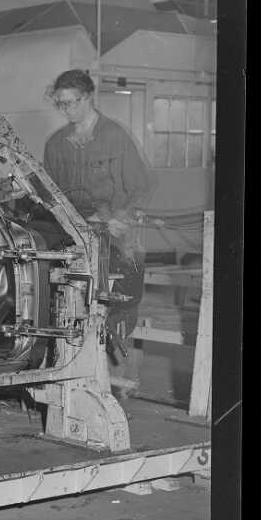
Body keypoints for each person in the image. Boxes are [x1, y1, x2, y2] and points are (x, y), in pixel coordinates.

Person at [42, 69, 153, 397]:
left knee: (115, 311)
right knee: (67, 308)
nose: (65, 110)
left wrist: (123, 216)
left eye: (70, 103)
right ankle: (72, 384)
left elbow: (142, 186)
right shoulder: (57, 144)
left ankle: (118, 390)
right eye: (59, 104)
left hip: (117, 237)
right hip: (74, 237)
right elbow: (51, 192)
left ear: (88, 97)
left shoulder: (115, 137)